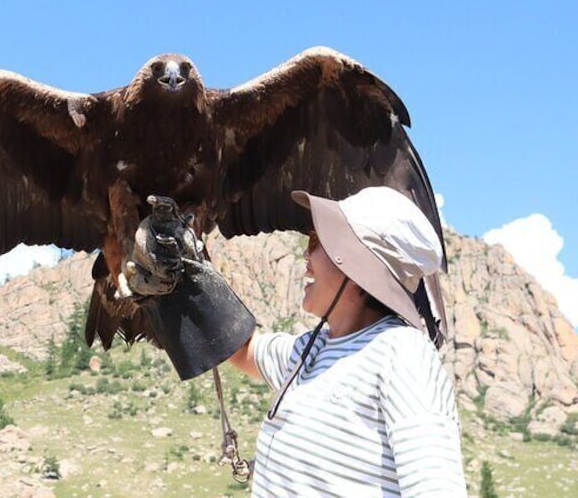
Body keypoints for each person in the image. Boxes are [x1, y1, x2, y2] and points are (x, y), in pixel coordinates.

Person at [128, 186, 467, 496]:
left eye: (317, 242)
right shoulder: (311, 350)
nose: (305, 256)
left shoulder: (403, 356)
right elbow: (243, 350)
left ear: (354, 262)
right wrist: (181, 279)